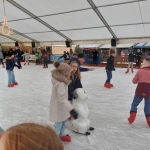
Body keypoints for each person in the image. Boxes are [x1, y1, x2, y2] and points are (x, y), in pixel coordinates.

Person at [50, 62, 78, 142]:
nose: (71, 73)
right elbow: (62, 99)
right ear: (64, 74)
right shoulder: (60, 84)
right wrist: (71, 109)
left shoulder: (63, 81)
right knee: (58, 125)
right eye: (69, 72)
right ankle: (54, 141)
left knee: (64, 122)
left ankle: (61, 134)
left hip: (63, 107)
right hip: (58, 108)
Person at [128, 56, 150, 126]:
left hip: (140, 90)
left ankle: (132, 115)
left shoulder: (140, 71)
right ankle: (149, 119)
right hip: (149, 91)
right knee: (148, 106)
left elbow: (134, 81)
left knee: (134, 104)